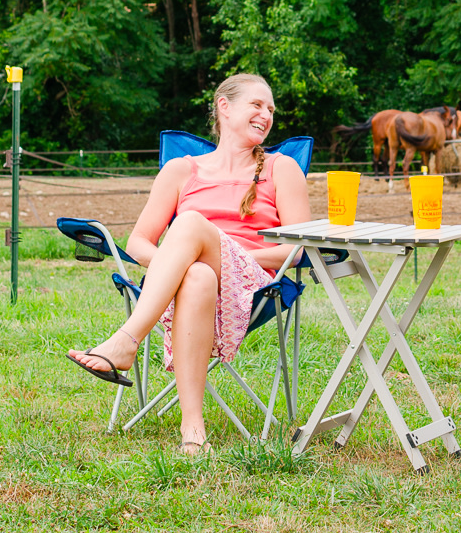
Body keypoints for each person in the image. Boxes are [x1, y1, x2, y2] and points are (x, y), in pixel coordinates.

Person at [66, 73, 310, 454]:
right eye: (257, 105)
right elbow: (138, 242)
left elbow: (297, 250)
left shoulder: (282, 169)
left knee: (192, 224)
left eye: (272, 109)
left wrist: (223, 252)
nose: (267, 114)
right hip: (187, 281)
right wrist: (182, 262)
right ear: (224, 107)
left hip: (252, 285)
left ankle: (127, 340)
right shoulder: (181, 170)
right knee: (196, 273)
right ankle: (193, 431)